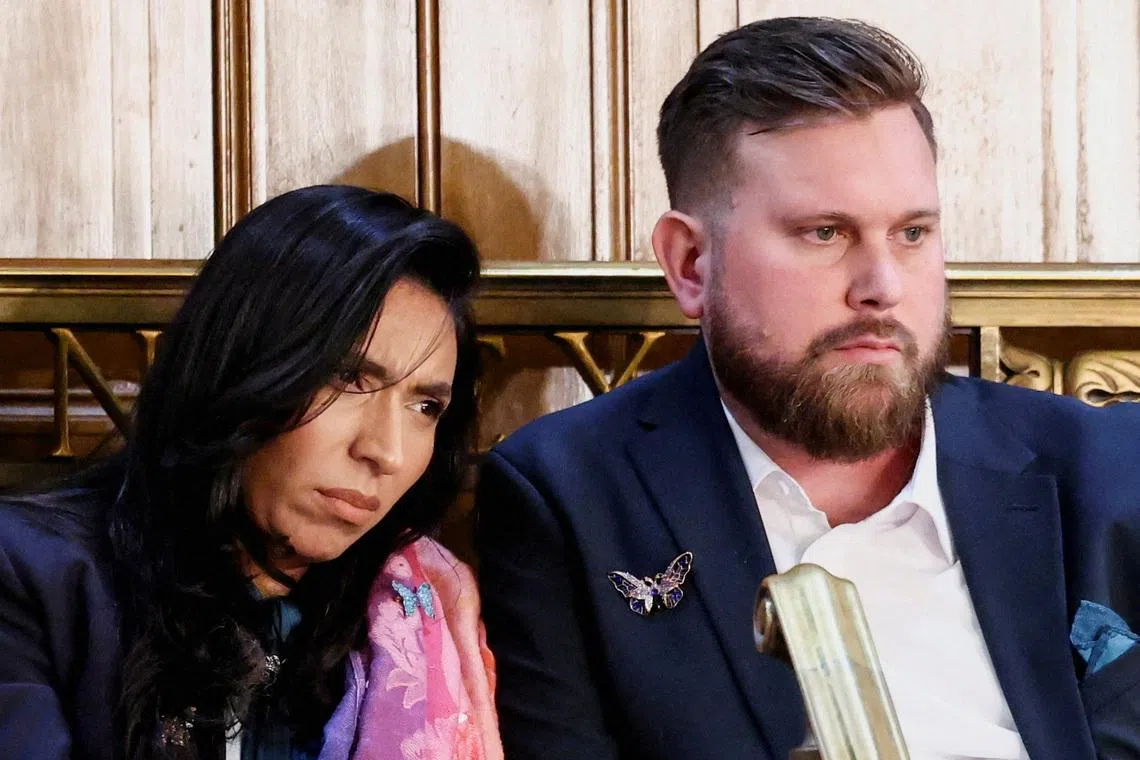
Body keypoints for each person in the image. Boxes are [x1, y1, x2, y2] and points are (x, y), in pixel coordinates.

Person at [475, 16, 1140, 760]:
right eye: (825, 233)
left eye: (912, 233)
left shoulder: (1109, 469)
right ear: (692, 265)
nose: (882, 287)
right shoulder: (568, 496)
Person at [0, 185, 502, 760]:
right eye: (346, 378)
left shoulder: (411, 606)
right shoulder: (29, 577)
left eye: (424, 407)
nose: (385, 451)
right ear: (242, 366)